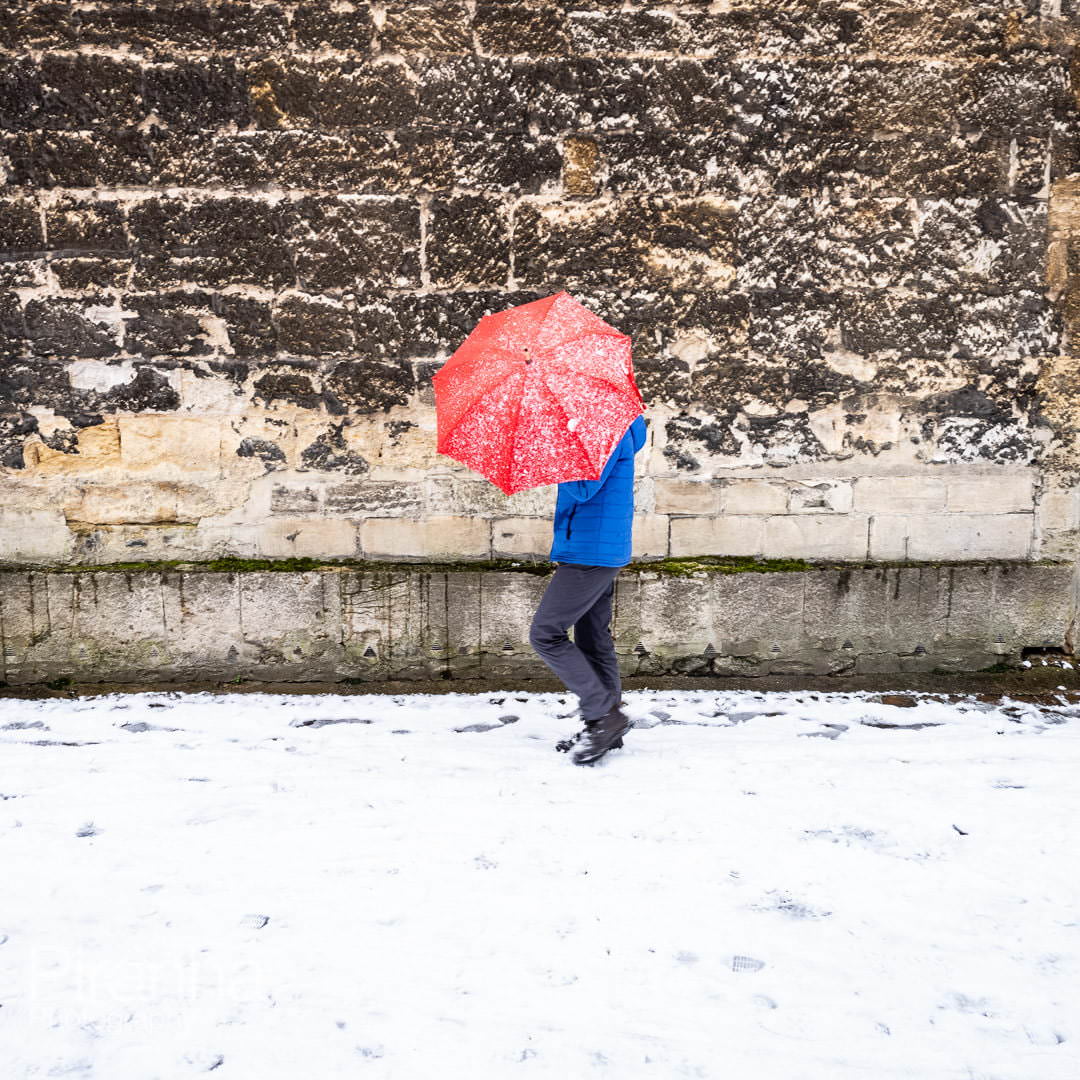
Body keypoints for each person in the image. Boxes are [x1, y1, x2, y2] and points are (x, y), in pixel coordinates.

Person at [528, 413, 648, 765]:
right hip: (595, 546)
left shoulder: (603, 426)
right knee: (592, 636)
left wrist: (554, 450)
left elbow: (584, 487)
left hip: (591, 550)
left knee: (545, 634)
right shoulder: (605, 425)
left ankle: (604, 714)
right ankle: (604, 724)